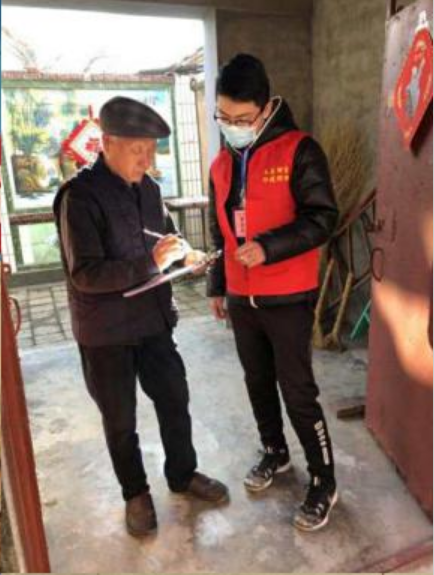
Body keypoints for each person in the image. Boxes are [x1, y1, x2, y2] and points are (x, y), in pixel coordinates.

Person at [53, 96, 228, 538]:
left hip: (153, 322)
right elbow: (85, 274)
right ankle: (135, 493)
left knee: (174, 400)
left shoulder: (148, 189)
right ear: (107, 142)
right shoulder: (79, 197)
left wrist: (186, 254)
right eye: (137, 150)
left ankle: (182, 474)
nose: (146, 160)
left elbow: (167, 236)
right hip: (105, 332)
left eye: (151, 151)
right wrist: (152, 262)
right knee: (120, 420)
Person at [207, 54, 339, 532]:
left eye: (243, 118)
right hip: (241, 297)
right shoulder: (222, 164)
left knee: (297, 389)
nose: (233, 127)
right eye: (224, 116)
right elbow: (219, 230)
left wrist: (268, 247)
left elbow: (323, 218)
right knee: (257, 380)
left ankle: (323, 479)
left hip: (288, 295)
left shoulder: (300, 150)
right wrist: (217, 284)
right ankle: (275, 451)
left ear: (266, 108)